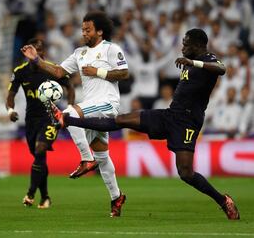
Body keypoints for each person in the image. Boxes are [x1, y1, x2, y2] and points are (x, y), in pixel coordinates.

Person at [52, 28, 240, 220]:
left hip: (188, 123)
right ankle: (68, 119)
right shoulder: (188, 62)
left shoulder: (208, 59)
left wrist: (193, 62)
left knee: (186, 173)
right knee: (121, 120)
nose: (182, 47)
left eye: (186, 44)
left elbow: (222, 69)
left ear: (198, 45)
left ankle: (223, 201)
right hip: (170, 115)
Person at [21, 11, 129, 217]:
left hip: (107, 104)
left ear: (100, 31)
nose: (84, 33)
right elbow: (59, 72)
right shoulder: (79, 53)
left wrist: (99, 72)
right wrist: (36, 60)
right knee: (103, 156)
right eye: (83, 29)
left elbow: (124, 73)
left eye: (88, 30)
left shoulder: (111, 49)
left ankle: (85, 159)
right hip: (91, 106)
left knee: (69, 113)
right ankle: (116, 198)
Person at [6, 38, 75, 208]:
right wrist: (10, 111)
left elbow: (70, 87)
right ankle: (45, 197)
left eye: (40, 50)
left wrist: (69, 108)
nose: (37, 53)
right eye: (34, 49)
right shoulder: (20, 71)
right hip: (31, 121)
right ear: (27, 52)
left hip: (50, 119)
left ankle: (30, 194)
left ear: (42, 53)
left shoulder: (53, 69)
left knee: (40, 149)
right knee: (39, 157)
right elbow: (10, 96)